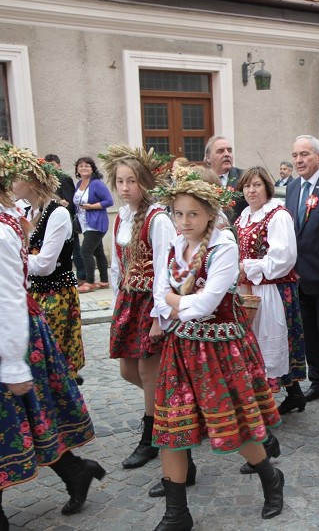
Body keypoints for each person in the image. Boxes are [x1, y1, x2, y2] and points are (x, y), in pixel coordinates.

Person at [150, 166, 284, 528]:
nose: (184, 221)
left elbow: (207, 303)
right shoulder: (175, 244)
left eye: (192, 213)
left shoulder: (224, 245)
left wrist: (175, 303)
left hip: (218, 349)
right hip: (180, 348)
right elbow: (158, 295)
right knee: (171, 429)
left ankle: (270, 477)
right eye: (178, 213)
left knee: (234, 427)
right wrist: (172, 304)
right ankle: (177, 514)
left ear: (210, 213)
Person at [0, 143, 105, 525]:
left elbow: (32, 273)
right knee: (31, 410)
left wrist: (13, 362)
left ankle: (74, 469)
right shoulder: (19, 216)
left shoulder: (49, 215)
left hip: (43, 304)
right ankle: (75, 470)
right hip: (28, 311)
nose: (18, 184)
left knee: (36, 403)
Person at [101, 146, 187, 497]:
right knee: (128, 371)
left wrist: (159, 315)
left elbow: (165, 272)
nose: (124, 187)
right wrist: (116, 298)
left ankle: (151, 435)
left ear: (145, 182)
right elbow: (117, 263)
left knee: (150, 372)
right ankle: (174, 407)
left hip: (150, 303)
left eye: (131, 181)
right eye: (120, 181)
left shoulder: (158, 218)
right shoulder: (122, 217)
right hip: (128, 300)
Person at [234, 166, 306, 413]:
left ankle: (261, 407)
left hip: (272, 290)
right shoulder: (244, 215)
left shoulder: (277, 215)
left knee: (269, 345)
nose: (251, 190)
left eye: (256, 185)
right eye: (247, 186)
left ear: (267, 187)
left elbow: (283, 259)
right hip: (249, 289)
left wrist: (247, 267)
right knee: (251, 344)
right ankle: (293, 395)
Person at [12, 158, 85, 385]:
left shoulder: (57, 213)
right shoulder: (23, 210)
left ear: (32, 183)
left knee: (51, 359)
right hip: (33, 293)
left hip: (56, 295)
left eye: (15, 179)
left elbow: (45, 265)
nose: (10, 184)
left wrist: (14, 260)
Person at [287, 135, 319, 402]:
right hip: (299, 276)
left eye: (304, 154)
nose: (299, 160)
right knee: (309, 334)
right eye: (295, 155)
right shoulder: (293, 188)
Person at [73, 156, 113, 293]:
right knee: (98, 251)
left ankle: (89, 282)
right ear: (77, 169)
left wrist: (92, 206)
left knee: (85, 251)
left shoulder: (96, 183)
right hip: (84, 222)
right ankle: (104, 280)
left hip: (96, 222)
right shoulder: (79, 184)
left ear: (92, 169)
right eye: (81, 165)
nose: (83, 168)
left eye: (87, 166)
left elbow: (109, 201)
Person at [45, 154, 86, 285]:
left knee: (75, 250)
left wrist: (60, 203)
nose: (50, 168)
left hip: (67, 218)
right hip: (55, 218)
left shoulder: (64, 178)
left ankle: (82, 276)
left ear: (59, 165)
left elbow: (69, 200)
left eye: (52, 165)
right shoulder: (49, 179)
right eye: (48, 166)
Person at [203, 135, 246, 222]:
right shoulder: (200, 181)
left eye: (229, 151)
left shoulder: (245, 177)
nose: (227, 154)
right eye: (220, 151)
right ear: (208, 158)